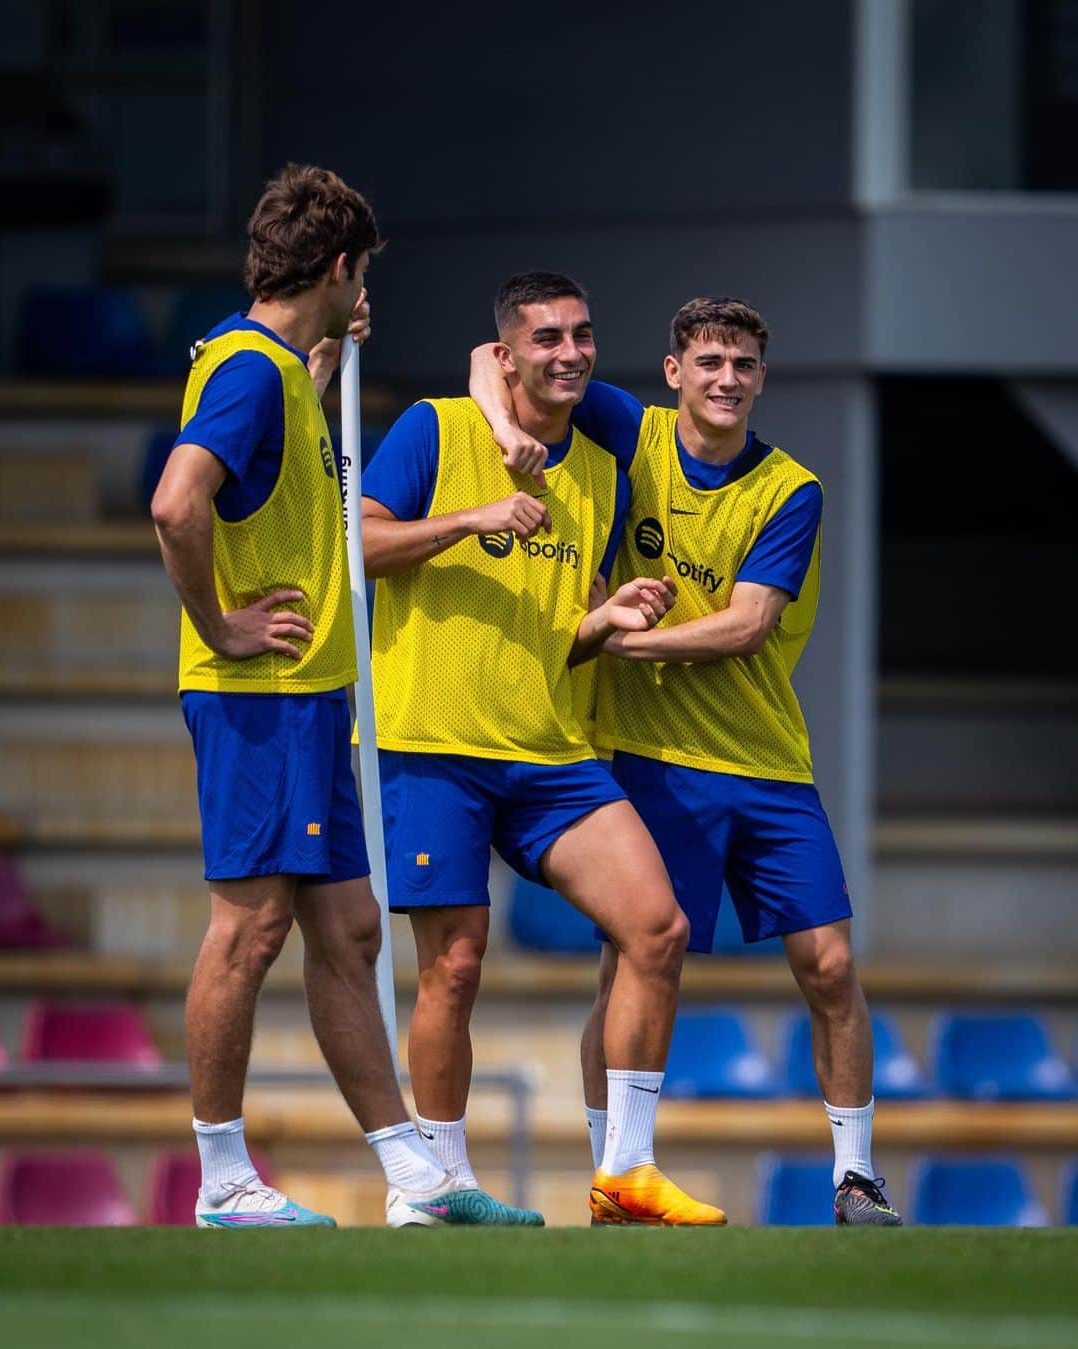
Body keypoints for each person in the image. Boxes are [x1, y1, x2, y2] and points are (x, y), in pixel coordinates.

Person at [470, 295, 903, 1226]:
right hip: (653, 755)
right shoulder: (638, 432)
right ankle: (616, 1172)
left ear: (759, 378)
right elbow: (487, 356)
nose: (727, 379)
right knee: (630, 963)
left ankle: (855, 1176)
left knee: (829, 964)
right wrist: (509, 434)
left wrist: (617, 641)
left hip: (767, 760)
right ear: (675, 373)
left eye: (744, 364)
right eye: (710, 361)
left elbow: (748, 625)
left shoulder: (792, 489)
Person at [152, 164, 528, 1229]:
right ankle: (223, 1179)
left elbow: (272, 475)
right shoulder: (245, 371)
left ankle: (415, 1173)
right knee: (249, 930)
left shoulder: (278, 369)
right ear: (338, 265)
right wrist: (221, 624)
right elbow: (177, 503)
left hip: (311, 697)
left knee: (352, 927)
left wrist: (325, 357)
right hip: (258, 689)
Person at [361, 271, 726, 1226]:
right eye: (548, 337)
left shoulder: (604, 473)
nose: (570, 352)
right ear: (506, 353)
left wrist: (602, 621)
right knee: (456, 964)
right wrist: (469, 520)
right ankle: (437, 1186)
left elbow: (549, 626)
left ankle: (625, 1175)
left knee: (658, 925)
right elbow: (356, 544)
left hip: (552, 752)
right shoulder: (436, 429)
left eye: (583, 335)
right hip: (432, 739)